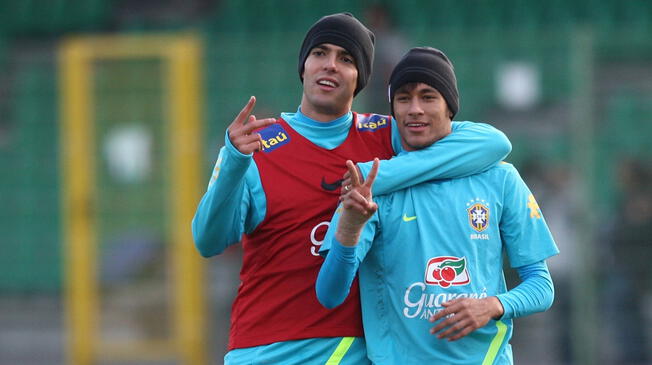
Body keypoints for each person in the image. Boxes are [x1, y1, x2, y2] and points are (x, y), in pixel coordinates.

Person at [192, 13, 512, 364]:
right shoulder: (256, 146)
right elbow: (208, 241)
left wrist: (377, 172)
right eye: (320, 53)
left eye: (346, 59)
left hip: (353, 348)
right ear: (303, 66)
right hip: (266, 347)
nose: (330, 65)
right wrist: (235, 161)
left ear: (360, 78)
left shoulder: (385, 136)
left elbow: (492, 143)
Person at [316, 47, 559, 364]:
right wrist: (348, 231)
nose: (414, 109)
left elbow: (541, 286)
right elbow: (329, 294)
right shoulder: (375, 189)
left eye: (428, 97)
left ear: (450, 107)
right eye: (403, 98)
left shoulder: (500, 179)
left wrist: (493, 305)